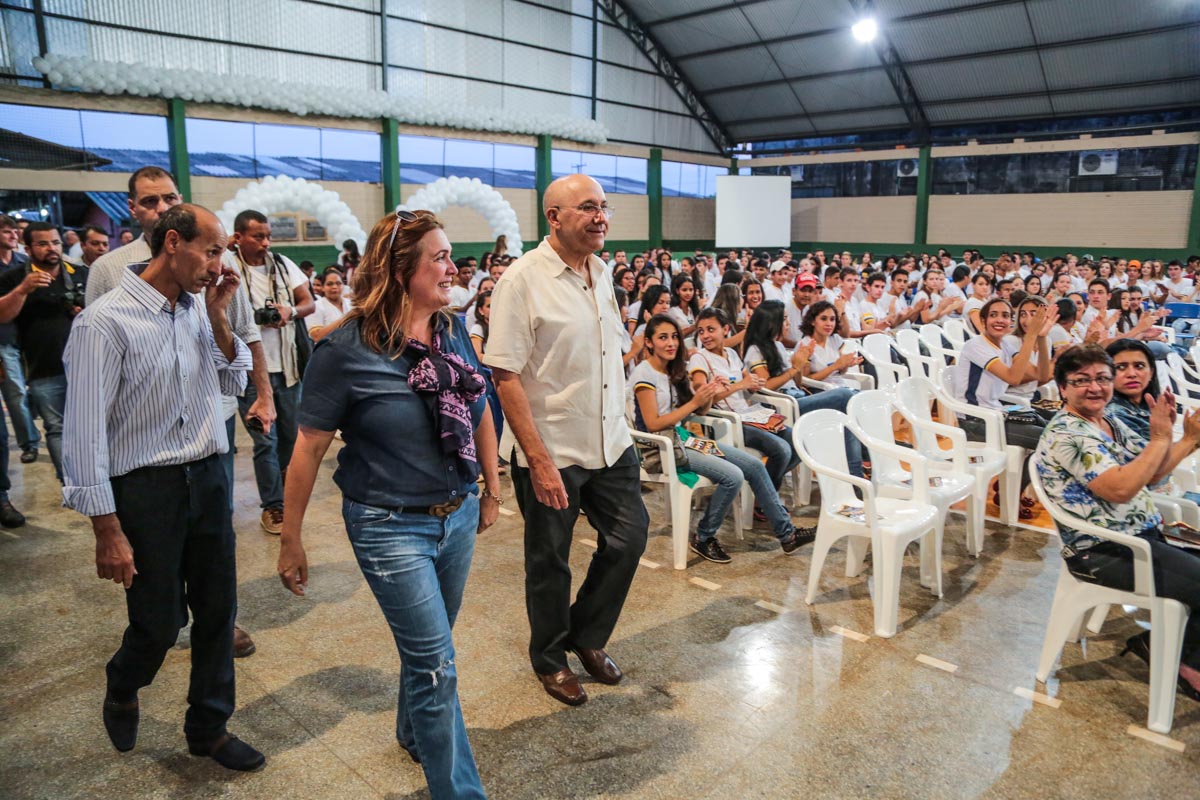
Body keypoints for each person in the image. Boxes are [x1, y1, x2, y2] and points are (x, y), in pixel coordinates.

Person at [277, 210, 496, 799]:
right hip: (388, 526)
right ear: (401, 271)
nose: (453, 266)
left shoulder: (448, 330)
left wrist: (492, 487)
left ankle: (412, 729)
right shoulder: (344, 350)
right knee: (436, 666)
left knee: (434, 645)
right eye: (439, 257)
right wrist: (290, 537)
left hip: (457, 514)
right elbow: (308, 450)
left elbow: (479, 408)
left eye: (450, 255)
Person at [61, 204, 263, 770]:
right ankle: (123, 682)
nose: (218, 264)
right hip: (144, 487)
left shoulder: (199, 310)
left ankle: (210, 728)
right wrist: (106, 528)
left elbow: (232, 379)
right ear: (172, 242)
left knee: (218, 610)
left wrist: (220, 316)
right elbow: (83, 433)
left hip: (208, 476)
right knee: (158, 621)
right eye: (213, 249)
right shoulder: (105, 322)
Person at [484, 174, 648, 707]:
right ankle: (551, 659)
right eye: (587, 208)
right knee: (549, 562)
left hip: (610, 441)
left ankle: (587, 635)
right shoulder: (522, 281)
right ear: (554, 217)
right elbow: (505, 376)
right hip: (551, 448)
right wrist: (538, 459)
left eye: (604, 208)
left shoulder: (602, 273)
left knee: (628, 540)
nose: (600, 217)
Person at [1035, 343, 1200, 702]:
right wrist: (1160, 437)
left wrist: (1187, 439)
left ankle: (1166, 646)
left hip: (1139, 538)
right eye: (1081, 380)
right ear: (1062, 387)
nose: (1095, 387)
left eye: (1102, 378)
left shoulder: (1107, 420)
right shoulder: (1070, 434)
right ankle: (1183, 663)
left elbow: (1151, 476)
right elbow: (1122, 489)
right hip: (1102, 553)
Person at [630, 314, 813, 563]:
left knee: (755, 465)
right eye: (663, 337)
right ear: (649, 343)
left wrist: (708, 394)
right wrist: (695, 401)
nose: (671, 343)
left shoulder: (675, 369)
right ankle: (704, 536)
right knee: (733, 475)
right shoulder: (645, 374)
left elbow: (699, 412)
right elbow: (652, 424)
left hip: (684, 439)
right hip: (660, 447)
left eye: (674, 337)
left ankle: (787, 535)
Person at [226, 209, 315, 535]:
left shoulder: (282, 264)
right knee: (265, 441)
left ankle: (286, 498)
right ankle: (273, 507)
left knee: (290, 440)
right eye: (257, 236)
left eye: (267, 236)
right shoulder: (227, 267)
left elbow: (309, 302)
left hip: (287, 368)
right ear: (238, 237)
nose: (265, 243)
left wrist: (289, 311)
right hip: (249, 372)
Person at [0, 223, 89, 481]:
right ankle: (72, 484)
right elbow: (3, 316)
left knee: (92, 426)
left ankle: (95, 479)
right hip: (43, 369)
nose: (52, 248)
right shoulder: (14, 278)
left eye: (55, 242)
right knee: (57, 429)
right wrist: (23, 289)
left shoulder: (79, 272)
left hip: (85, 365)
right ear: (27, 248)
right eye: (43, 243)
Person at [743, 301, 864, 477]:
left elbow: (797, 383)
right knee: (846, 396)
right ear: (771, 322)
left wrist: (798, 365)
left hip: (796, 396)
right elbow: (765, 386)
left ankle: (855, 473)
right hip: (782, 404)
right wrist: (794, 369)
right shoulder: (755, 350)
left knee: (849, 410)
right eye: (784, 319)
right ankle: (857, 471)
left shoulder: (778, 345)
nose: (788, 323)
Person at [689, 307, 802, 494]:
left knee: (797, 441)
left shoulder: (731, 354)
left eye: (711, 329)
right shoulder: (699, 359)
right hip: (728, 422)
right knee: (781, 449)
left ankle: (762, 487)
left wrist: (753, 384)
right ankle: (764, 497)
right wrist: (740, 385)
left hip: (749, 414)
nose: (705, 336)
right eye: (701, 331)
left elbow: (746, 379)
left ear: (725, 330)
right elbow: (702, 395)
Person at [0, 214, 39, 464]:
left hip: (18, 336)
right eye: (6, 231)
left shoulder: (23, 262)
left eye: (14, 231)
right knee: (14, 391)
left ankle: (29, 442)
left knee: (18, 393)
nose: (13, 235)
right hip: (2, 338)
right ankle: (29, 442)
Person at [308, 268, 351, 340]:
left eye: (338, 283)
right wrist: (346, 318)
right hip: (328, 350)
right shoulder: (316, 307)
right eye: (329, 284)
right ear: (322, 287)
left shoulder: (351, 304)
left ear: (343, 285)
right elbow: (316, 336)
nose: (334, 287)